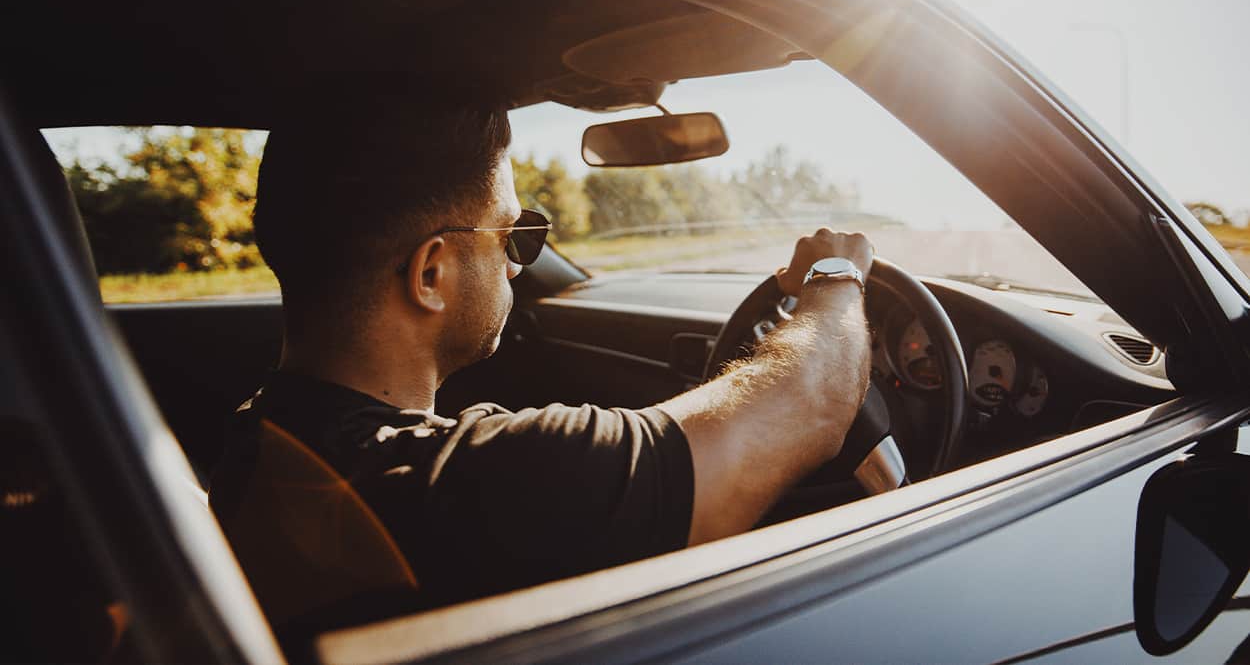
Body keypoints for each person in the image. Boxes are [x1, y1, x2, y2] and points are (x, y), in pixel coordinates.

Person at [210, 101, 874, 609]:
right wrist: (836, 276)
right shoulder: (484, 482)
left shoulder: (253, 435)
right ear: (431, 275)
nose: (518, 261)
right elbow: (812, 404)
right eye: (516, 233)